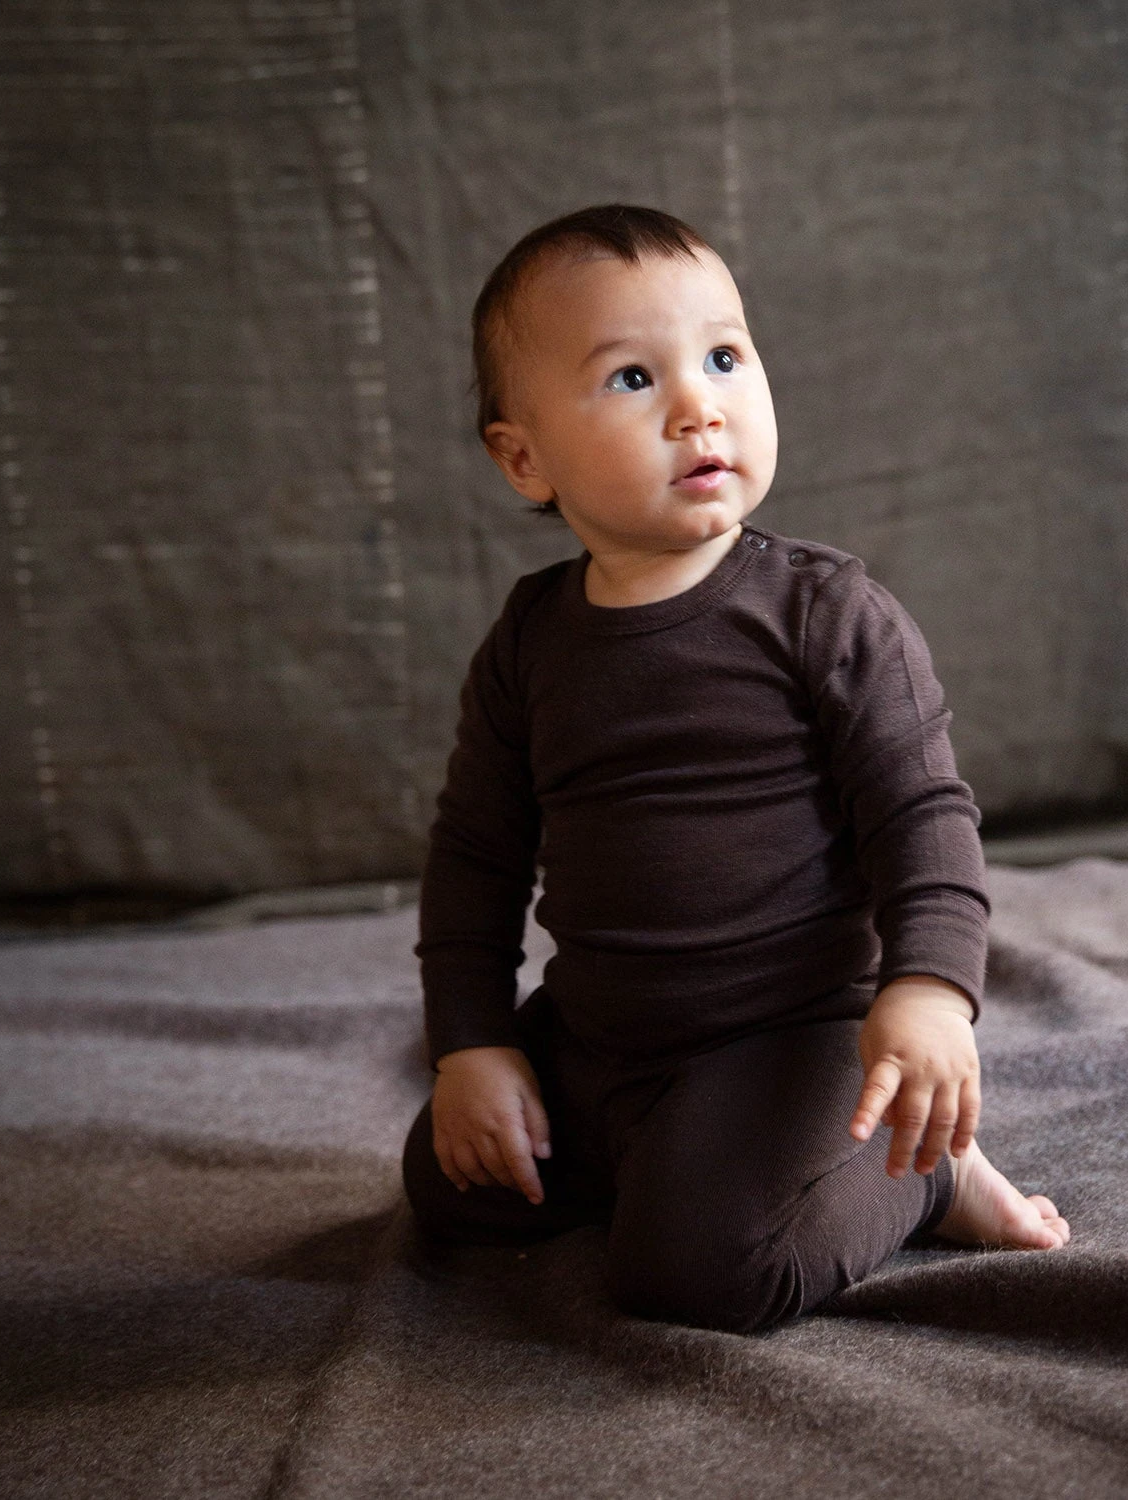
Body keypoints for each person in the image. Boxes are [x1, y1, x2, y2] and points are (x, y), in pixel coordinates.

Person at [402, 204, 1069, 1334]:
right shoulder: (529, 643)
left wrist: (927, 989)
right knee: (449, 1176)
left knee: (700, 1275)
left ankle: (922, 1177)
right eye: (632, 378)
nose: (697, 406)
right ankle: (670, 1161)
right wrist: (474, 1044)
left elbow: (923, 817)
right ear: (523, 458)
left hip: (792, 1036)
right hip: (604, 1036)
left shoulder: (826, 614)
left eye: (723, 358)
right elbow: (475, 860)